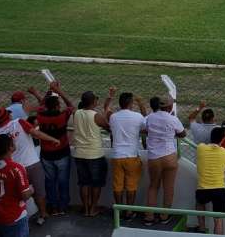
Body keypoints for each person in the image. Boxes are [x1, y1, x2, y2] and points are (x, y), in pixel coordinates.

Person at [0, 106, 59, 226]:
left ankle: (22, 218)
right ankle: (43, 214)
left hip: (13, 168)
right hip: (32, 163)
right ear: (7, 116)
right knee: (39, 193)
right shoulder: (19, 122)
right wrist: (52, 139)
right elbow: (36, 133)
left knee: (18, 195)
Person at [144, 96, 186, 226]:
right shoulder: (173, 119)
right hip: (169, 156)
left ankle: (149, 217)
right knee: (168, 188)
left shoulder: (150, 117)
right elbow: (183, 134)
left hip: (154, 157)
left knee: (153, 186)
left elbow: (144, 129)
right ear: (169, 107)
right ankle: (164, 216)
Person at [0, 134, 33, 237]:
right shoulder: (16, 168)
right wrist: (31, 190)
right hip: (15, 217)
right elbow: (25, 195)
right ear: (10, 147)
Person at [35, 83, 75, 217]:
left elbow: (42, 104)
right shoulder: (62, 116)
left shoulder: (40, 115)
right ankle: (62, 207)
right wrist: (59, 91)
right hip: (62, 153)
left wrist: (49, 91)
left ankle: (52, 206)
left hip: (46, 154)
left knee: (50, 182)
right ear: (58, 106)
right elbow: (71, 106)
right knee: (63, 182)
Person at [70, 90, 111, 218]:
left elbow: (68, 103)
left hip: (79, 154)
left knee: (84, 183)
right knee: (96, 183)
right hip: (94, 155)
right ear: (94, 102)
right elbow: (109, 127)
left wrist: (58, 91)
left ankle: (86, 208)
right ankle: (93, 208)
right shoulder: (96, 115)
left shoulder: (76, 113)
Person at [109, 92, 147, 221]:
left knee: (117, 185)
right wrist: (141, 104)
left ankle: (119, 210)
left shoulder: (113, 117)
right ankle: (129, 211)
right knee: (131, 185)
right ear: (131, 103)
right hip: (131, 155)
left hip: (117, 155)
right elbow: (145, 123)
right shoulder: (137, 116)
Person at [192, 127, 225, 234]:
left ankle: (201, 228)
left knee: (199, 204)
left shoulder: (200, 148)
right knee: (218, 219)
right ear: (222, 139)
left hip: (203, 189)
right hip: (219, 189)